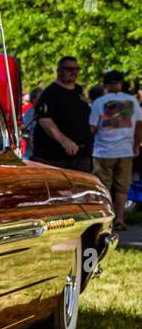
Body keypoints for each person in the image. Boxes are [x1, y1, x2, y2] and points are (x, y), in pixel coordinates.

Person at [88, 69, 141, 232]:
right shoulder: (132, 101)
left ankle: (106, 219)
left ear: (105, 85)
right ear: (121, 83)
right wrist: (136, 145)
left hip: (103, 152)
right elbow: (139, 126)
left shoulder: (99, 102)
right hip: (125, 151)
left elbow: (92, 128)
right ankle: (120, 218)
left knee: (104, 187)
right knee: (122, 187)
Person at [32, 56, 92, 171]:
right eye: (69, 69)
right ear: (59, 70)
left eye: (76, 69)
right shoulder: (51, 93)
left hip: (81, 154)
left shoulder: (79, 91)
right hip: (56, 156)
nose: (73, 72)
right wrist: (64, 141)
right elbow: (44, 120)